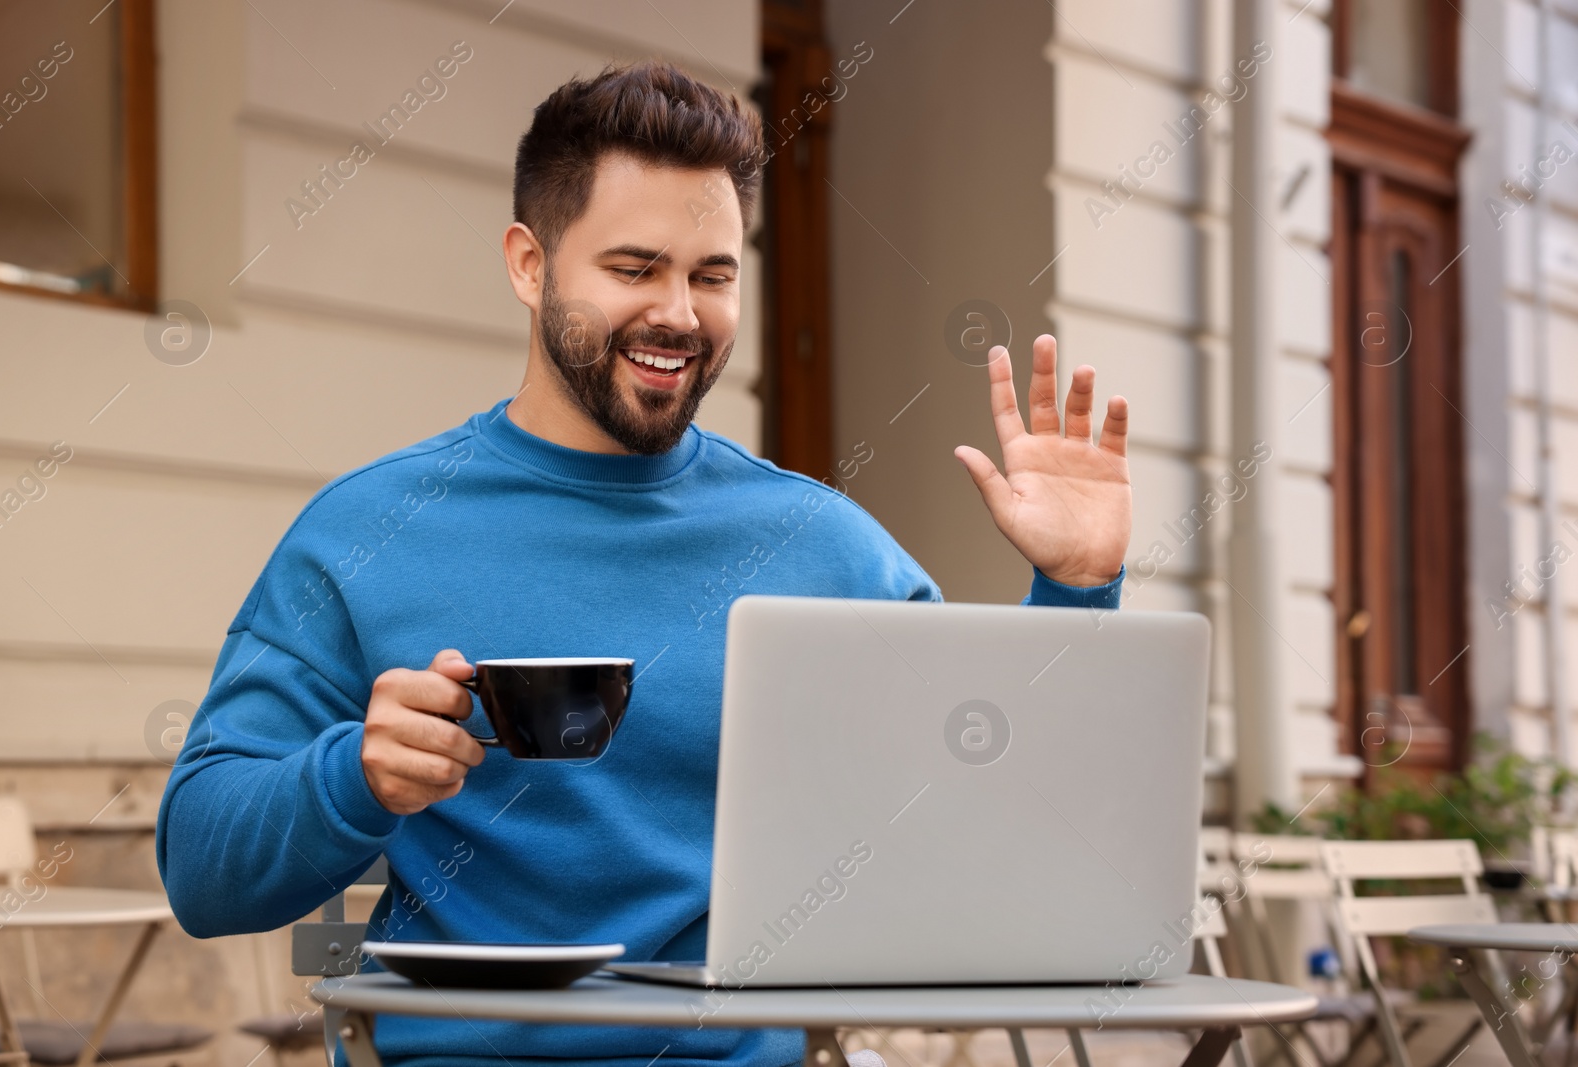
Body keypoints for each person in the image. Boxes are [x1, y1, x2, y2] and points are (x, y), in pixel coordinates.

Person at [156, 59, 1133, 1067]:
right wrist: (352, 773)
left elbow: (1001, 829)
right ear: (529, 265)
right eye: (634, 269)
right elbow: (201, 871)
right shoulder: (363, 530)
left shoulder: (825, 545)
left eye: (712, 275)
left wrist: (1075, 588)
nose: (678, 312)